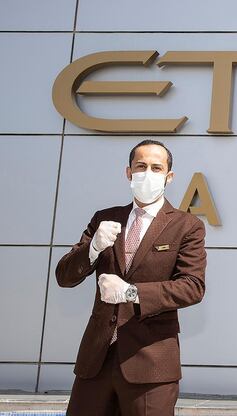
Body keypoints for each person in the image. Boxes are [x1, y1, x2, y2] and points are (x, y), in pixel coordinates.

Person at [56, 139, 207, 416]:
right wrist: (93, 247)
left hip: (150, 365)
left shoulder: (187, 226)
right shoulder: (104, 218)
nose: (147, 173)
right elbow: (64, 276)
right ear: (128, 173)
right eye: (141, 166)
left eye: (156, 167)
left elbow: (192, 287)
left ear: (169, 177)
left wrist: (131, 292)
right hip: (96, 361)